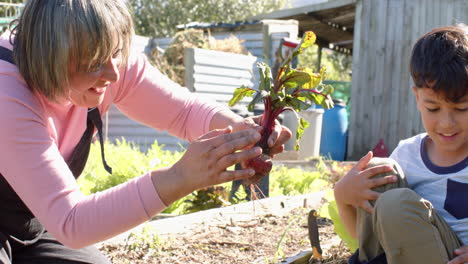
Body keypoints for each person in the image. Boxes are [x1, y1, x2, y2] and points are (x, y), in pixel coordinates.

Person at [0, 0, 292, 263]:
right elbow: (72, 222)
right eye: (95, 61)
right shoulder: (7, 92)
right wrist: (179, 178)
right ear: (48, 54)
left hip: (36, 225)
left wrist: (240, 132)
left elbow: (183, 112)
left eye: (115, 52)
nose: (114, 73)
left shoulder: (105, 63)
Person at [334, 24, 467, 264]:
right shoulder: (407, 155)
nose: (447, 123)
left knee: (395, 203)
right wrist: (342, 197)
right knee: (379, 171)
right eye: (433, 108)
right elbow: (368, 238)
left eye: (462, 109)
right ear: (417, 98)